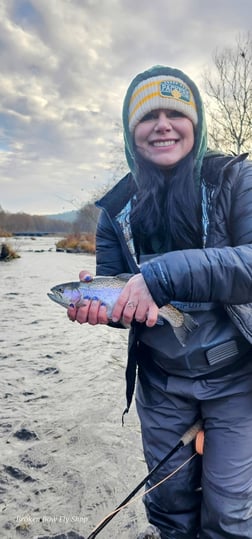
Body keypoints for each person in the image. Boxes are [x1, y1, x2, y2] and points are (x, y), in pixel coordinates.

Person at [68, 65, 252, 539]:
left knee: (230, 516)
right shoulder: (115, 209)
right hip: (161, 383)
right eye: (149, 116)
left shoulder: (235, 179)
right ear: (132, 133)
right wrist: (103, 309)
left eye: (176, 113)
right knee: (169, 509)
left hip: (237, 380)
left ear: (197, 122)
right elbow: (119, 293)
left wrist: (161, 275)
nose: (163, 124)